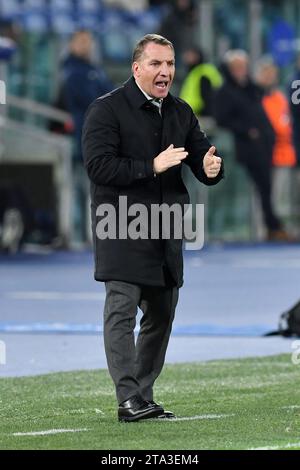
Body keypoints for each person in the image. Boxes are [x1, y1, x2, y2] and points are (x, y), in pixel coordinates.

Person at [82, 34, 223, 423]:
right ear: (136, 68)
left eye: (171, 64)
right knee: (122, 311)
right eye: (157, 64)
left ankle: (142, 396)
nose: (166, 72)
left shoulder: (180, 111)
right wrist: (152, 165)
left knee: (161, 313)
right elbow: (99, 167)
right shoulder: (106, 110)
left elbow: (201, 157)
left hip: (166, 226)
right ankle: (127, 397)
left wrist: (212, 170)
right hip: (121, 224)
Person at [214, 49, 287, 241]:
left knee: (266, 187)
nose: (240, 71)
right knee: (258, 188)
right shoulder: (225, 91)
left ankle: (272, 227)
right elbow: (221, 119)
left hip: (263, 147)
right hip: (243, 149)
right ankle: (267, 227)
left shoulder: (250, 88)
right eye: (236, 67)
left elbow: (265, 91)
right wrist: (246, 130)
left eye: (243, 67)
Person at [61, 30, 113, 241]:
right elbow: (93, 99)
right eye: (81, 41)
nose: (86, 45)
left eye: (89, 41)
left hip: (98, 137)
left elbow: (110, 94)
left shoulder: (94, 69)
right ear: (71, 44)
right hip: (81, 137)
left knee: (95, 186)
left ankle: (94, 233)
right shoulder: (71, 71)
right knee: (79, 186)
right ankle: (77, 234)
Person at [180, 46, 223, 118]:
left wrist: (204, 113)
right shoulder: (193, 72)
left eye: (190, 55)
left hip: (200, 115)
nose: (187, 58)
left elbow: (207, 97)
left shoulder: (202, 72)